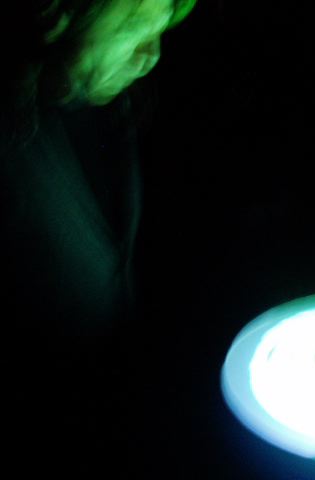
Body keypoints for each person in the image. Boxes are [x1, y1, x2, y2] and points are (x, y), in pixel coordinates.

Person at [1, 0, 196, 476]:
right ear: (56, 14)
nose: (150, 55)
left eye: (161, 28)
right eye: (132, 26)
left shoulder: (114, 107)